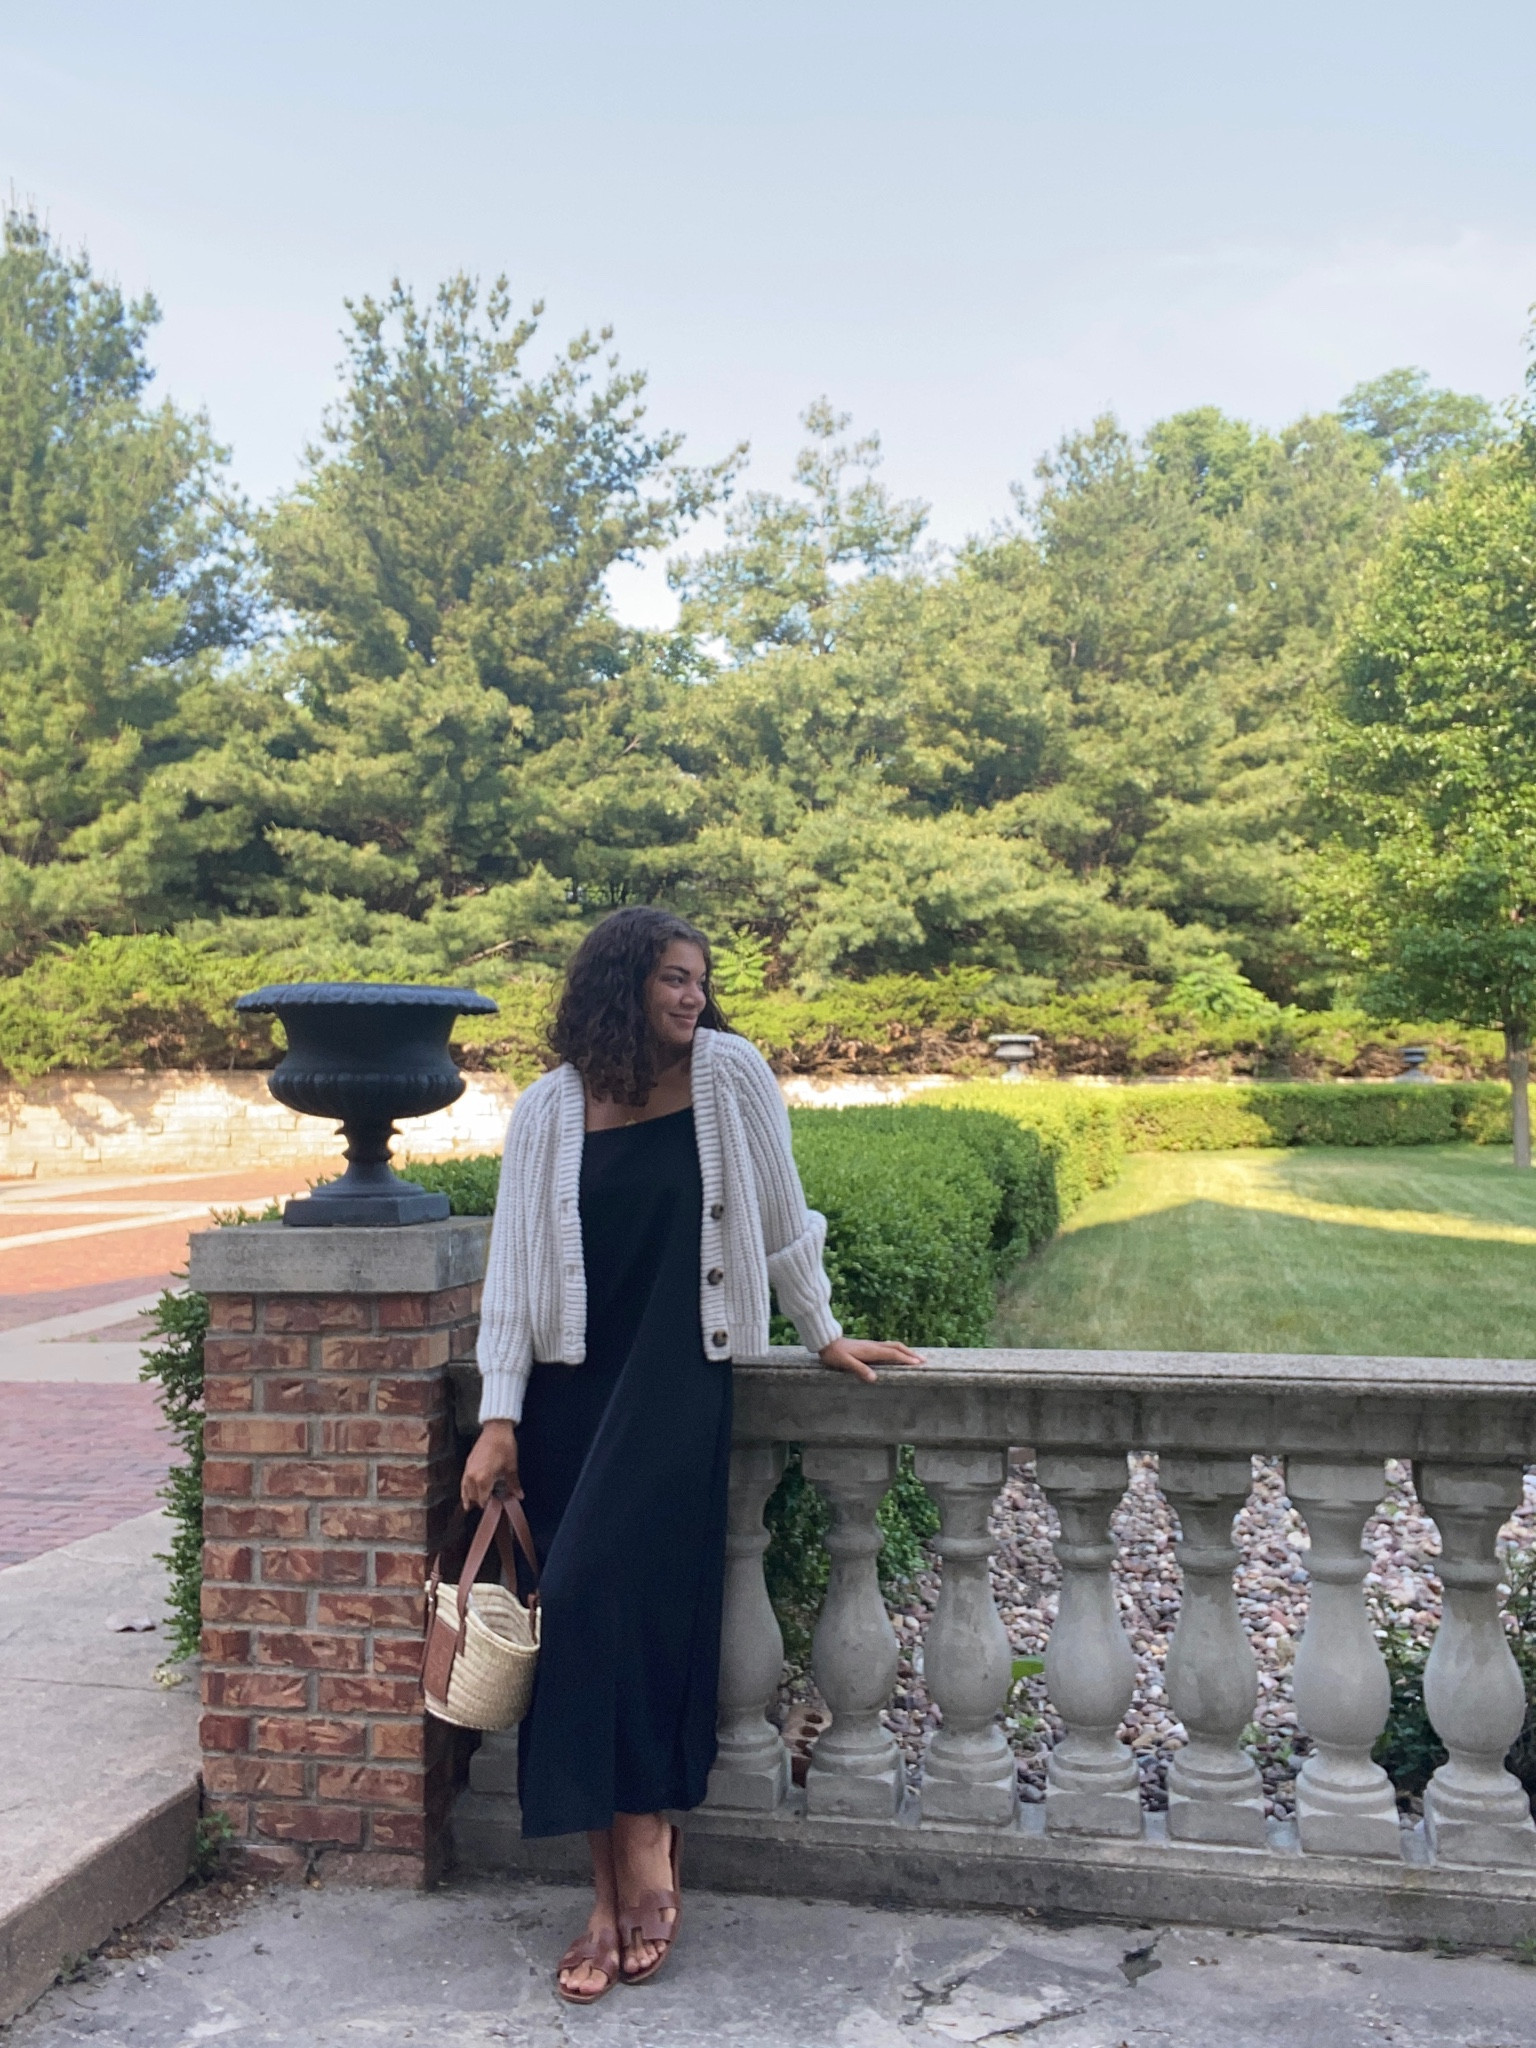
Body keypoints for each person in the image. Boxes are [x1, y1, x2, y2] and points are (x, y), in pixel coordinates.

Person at [461, 906, 922, 2004]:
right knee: (579, 1620)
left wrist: (820, 1328)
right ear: (623, 984)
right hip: (573, 1394)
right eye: (673, 977)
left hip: (679, 1379)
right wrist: (498, 1411)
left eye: (699, 980)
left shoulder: (728, 1075)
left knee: (613, 1601)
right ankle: (612, 1879)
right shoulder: (548, 1108)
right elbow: (513, 1274)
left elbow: (779, 1212)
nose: (693, 996)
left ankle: (647, 1848)